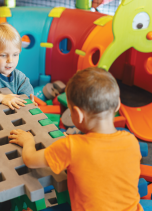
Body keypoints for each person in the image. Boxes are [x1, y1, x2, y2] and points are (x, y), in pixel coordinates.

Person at [9, 67, 142, 211]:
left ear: (77, 115)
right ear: (117, 104)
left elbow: (31, 160)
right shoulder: (131, 141)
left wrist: (28, 141)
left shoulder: (71, 146)